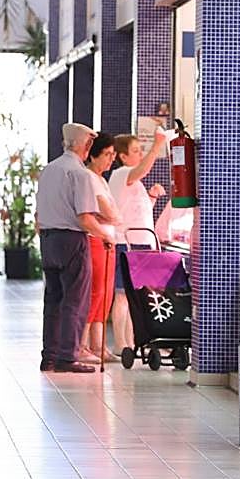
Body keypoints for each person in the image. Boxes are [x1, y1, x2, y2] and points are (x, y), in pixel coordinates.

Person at [34, 122, 103, 374]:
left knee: (52, 300)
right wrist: (106, 234)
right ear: (86, 145)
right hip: (72, 240)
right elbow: (85, 218)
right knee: (75, 300)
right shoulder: (81, 174)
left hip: (48, 239)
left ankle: (49, 357)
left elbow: (38, 214)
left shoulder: (48, 170)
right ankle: (67, 357)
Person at [109, 130, 168, 352]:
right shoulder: (122, 174)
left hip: (141, 242)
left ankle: (133, 342)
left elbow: (136, 213)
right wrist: (157, 145)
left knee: (136, 296)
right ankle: (121, 344)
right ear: (123, 157)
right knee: (123, 294)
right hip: (127, 243)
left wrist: (151, 197)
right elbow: (143, 169)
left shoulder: (133, 181)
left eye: (141, 150)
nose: (140, 154)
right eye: (135, 151)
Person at [83, 132, 121, 363]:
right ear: (93, 155)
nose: (110, 160)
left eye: (113, 155)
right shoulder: (89, 177)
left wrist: (113, 217)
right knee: (95, 292)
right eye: (106, 154)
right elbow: (108, 211)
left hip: (108, 240)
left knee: (105, 294)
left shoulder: (102, 179)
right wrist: (113, 216)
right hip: (95, 239)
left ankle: (99, 346)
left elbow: (113, 214)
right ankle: (83, 345)